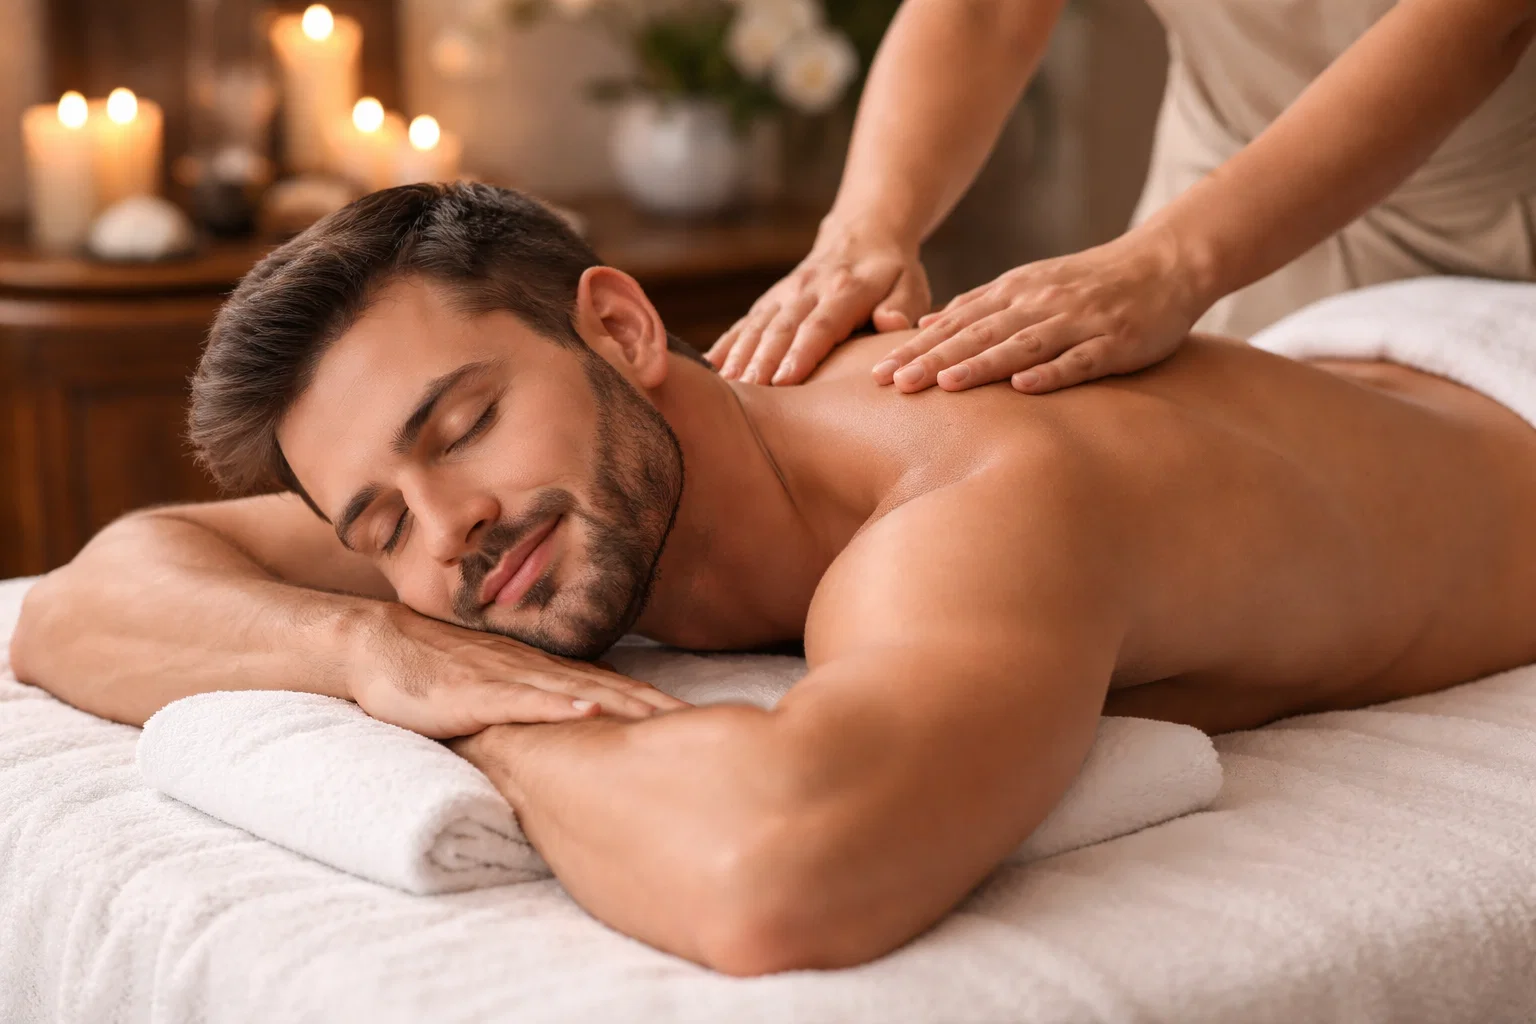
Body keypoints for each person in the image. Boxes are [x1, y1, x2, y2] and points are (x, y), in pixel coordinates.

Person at [12, 184, 1536, 977]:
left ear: (621, 332)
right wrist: (373, 656)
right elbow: (87, 601)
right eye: (376, 525)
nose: (447, 533)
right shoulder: (507, 525)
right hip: (1341, 371)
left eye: (462, 425)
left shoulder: (969, 497)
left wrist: (491, 711)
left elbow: (779, 874)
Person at [707, 0, 1536, 396]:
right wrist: (862, 229)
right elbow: (986, 12)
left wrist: (1170, 266)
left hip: (1492, 230)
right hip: (1218, 172)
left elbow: (1474, 27)